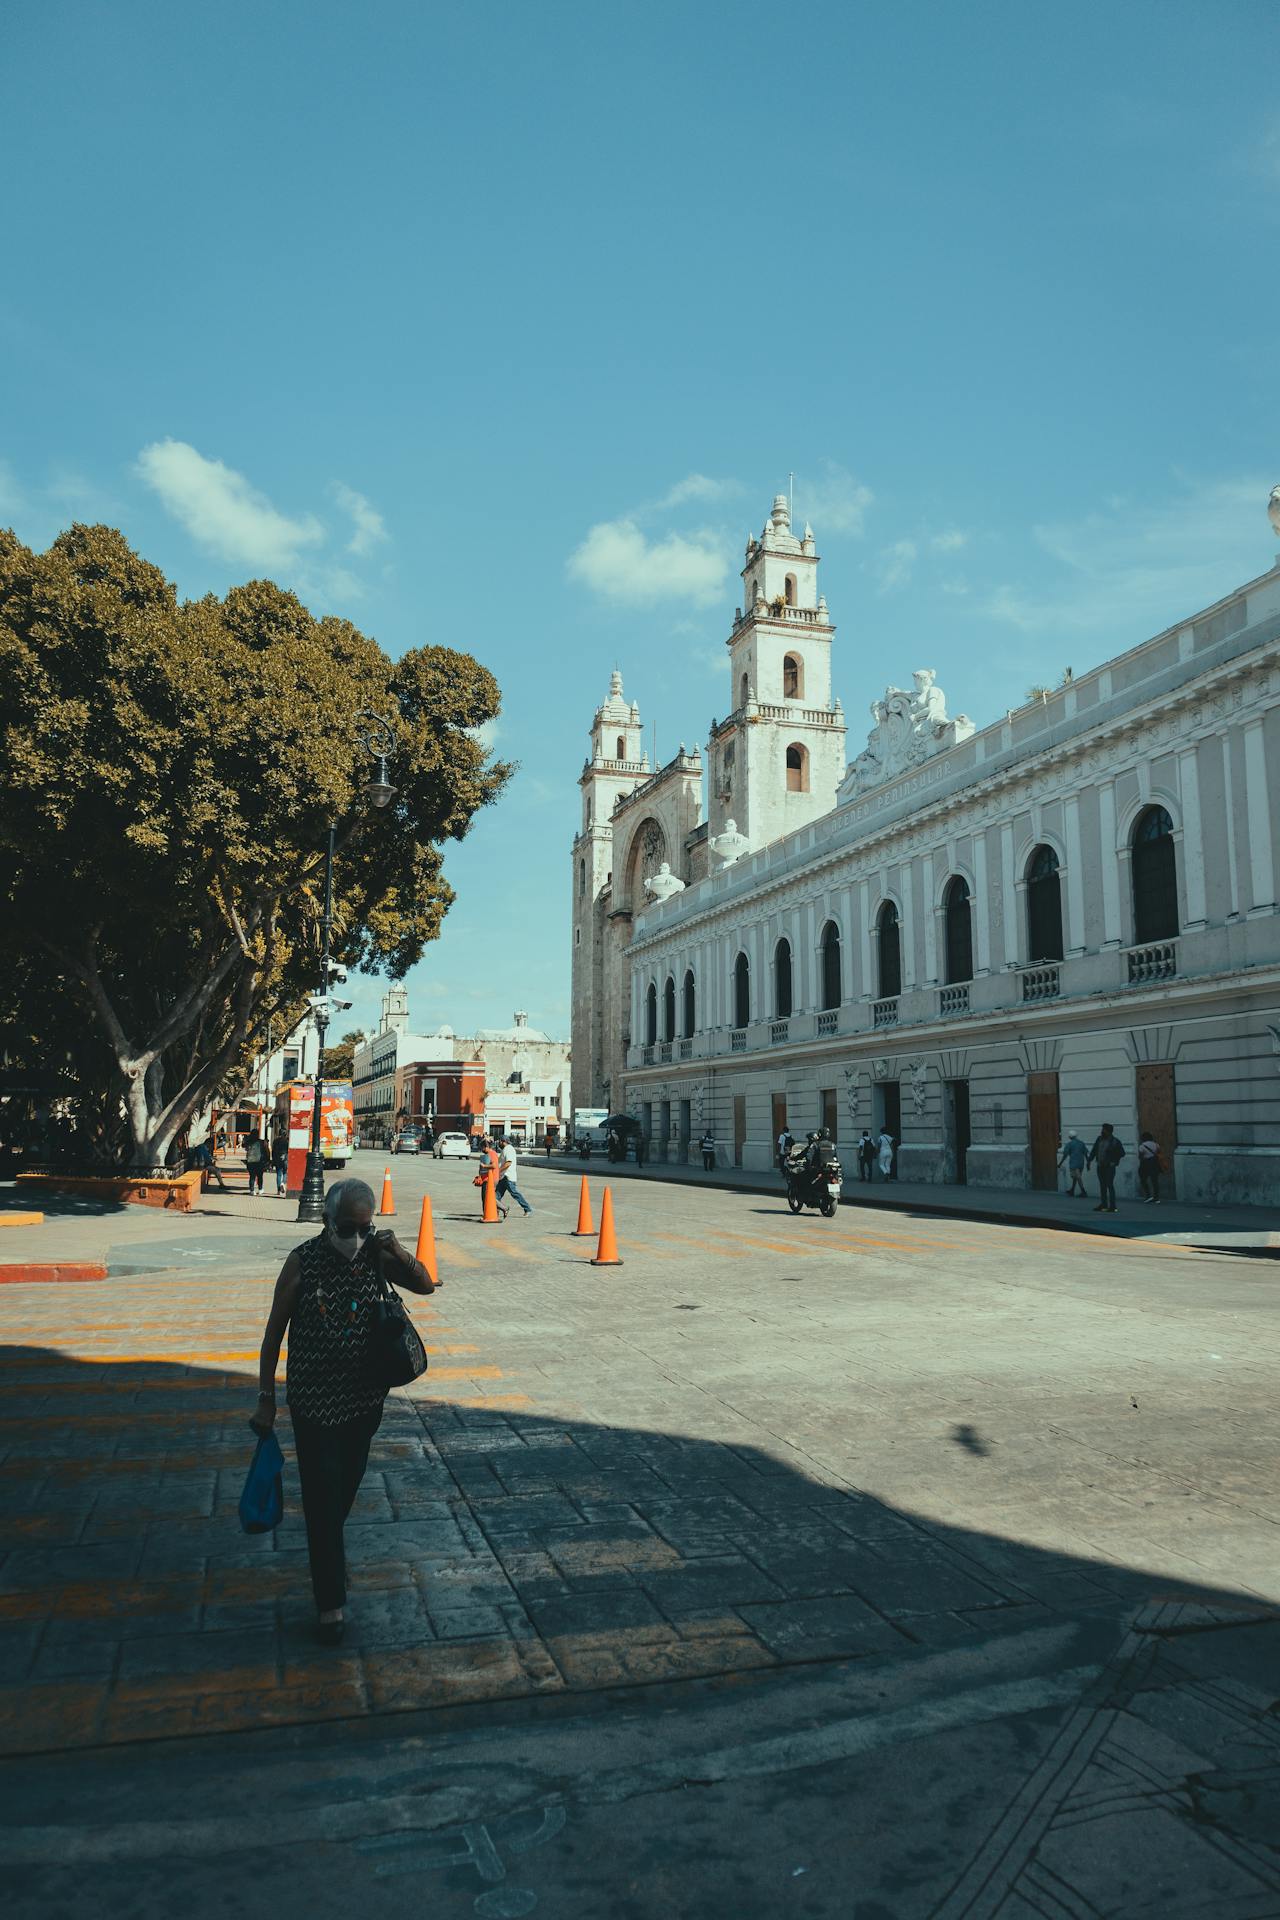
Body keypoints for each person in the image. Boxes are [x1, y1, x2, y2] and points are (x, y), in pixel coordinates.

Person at [250, 1178, 440, 1643]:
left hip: (363, 1400)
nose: (355, 1237)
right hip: (313, 1402)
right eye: (346, 1227)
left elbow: (426, 1286)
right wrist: (265, 1399)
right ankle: (330, 1602)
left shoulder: (375, 1254)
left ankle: (326, 1556)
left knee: (341, 1494)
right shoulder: (303, 1262)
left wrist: (397, 1249)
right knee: (320, 1496)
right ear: (326, 1221)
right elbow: (273, 1332)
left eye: (364, 1227)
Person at [1087, 1123, 1125, 1213]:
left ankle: (1112, 1206)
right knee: (1102, 1186)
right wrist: (1089, 1160)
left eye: (1104, 1130)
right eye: (1102, 1129)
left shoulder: (1115, 1141)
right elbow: (1094, 1150)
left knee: (1109, 1185)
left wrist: (1114, 1161)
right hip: (1100, 1165)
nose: (1102, 1131)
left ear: (1109, 1131)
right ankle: (1103, 1204)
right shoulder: (1099, 1139)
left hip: (1109, 1167)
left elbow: (1122, 1153)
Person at [497, 1137, 533, 1216]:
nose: (498, 1143)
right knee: (496, 1196)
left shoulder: (508, 1149)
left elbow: (508, 1163)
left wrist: (498, 1170)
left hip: (508, 1176)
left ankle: (527, 1209)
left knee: (515, 1193)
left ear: (503, 1141)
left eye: (499, 1141)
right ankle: (496, 1211)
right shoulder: (505, 1149)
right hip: (503, 1177)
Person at [474, 1135, 501, 1214]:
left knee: (487, 1197)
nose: (481, 1149)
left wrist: (484, 1166)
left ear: (486, 1146)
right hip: (486, 1178)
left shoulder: (492, 1154)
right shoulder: (487, 1155)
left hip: (491, 1178)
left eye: (482, 1148)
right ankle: (492, 1212)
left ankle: (496, 1210)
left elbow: (494, 1166)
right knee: (486, 1197)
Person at [1058, 1131, 1088, 1198]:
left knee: (1078, 1177)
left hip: (1074, 1163)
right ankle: (1072, 1190)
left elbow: (1065, 1155)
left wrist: (1060, 1163)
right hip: (1081, 1163)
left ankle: (1083, 1191)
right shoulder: (1081, 1143)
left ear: (1069, 1137)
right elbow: (1085, 1153)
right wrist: (1088, 1162)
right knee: (1076, 1177)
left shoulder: (1069, 1144)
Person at [1137, 1131, 1162, 1203]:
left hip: (1145, 1163)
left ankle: (1148, 1195)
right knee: (1155, 1181)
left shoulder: (1142, 1146)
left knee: (1143, 1179)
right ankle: (1156, 1197)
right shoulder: (1156, 1145)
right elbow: (1159, 1153)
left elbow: (1140, 1156)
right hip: (1155, 1163)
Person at [244, 1129, 268, 1195]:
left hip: (250, 1161)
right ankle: (260, 1189)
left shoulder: (248, 1142)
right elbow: (266, 1151)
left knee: (252, 1176)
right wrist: (267, 1160)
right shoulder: (262, 1142)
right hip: (259, 1161)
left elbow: (245, 1148)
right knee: (260, 1176)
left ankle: (252, 1190)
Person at [271, 1131, 288, 1196]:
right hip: (285, 1159)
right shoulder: (287, 1141)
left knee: (278, 1174)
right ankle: (283, 1183)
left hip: (277, 1159)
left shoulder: (275, 1141)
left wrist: (273, 1160)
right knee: (285, 1173)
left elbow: (273, 1151)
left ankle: (278, 1191)